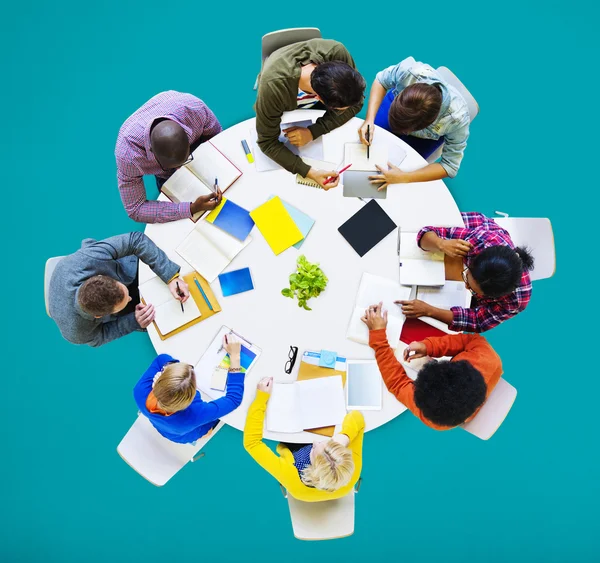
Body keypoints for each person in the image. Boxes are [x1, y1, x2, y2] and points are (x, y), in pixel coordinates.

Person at [362, 303, 503, 430]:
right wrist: (428, 346)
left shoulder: (433, 413)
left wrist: (378, 338)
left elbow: (397, 384)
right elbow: (469, 340)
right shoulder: (486, 355)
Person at [255, 38, 366, 190]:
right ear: (319, 98)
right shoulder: (273, 87)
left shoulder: (338, 53)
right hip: (280, 96)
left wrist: (313, 132)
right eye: (341, 110)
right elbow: (267, 143)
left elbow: (357, 103)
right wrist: (309, 172)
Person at [398, 212, 534, 333]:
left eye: (473, 291)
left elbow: (477, 321)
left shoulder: (517, 300)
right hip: (473, 229)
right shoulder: (479, 240)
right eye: (466, 277)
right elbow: (426, 231)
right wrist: (441, 243)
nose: (466, 286)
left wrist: (430, 311)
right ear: (473, 259)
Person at [48, 232, 189, 347]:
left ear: (100, 275)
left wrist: (171, 276)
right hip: (129, 313)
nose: (130, 299)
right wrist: (134, 320)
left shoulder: (88, 258)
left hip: (126, 271)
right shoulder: (76, 333)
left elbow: (135, 240)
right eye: (125, 301)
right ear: (99, 316)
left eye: (125, 295)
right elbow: (100, 337)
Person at [244, 377, 364, 502]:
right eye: (329, 442)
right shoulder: (350, 468)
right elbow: (357, 417)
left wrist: (260, 399)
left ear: (312, 469)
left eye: (314, 450)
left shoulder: (289, 474)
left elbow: (251, 443)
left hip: (292, 444)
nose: (315, 442)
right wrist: (344, 437)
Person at [358, 57, 471, 187]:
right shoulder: (409, 71)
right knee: (364, 143)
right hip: (398, 110)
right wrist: (369, 119)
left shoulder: (457, 119)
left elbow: (449, 166)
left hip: (426, 139)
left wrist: (405, 177)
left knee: (400, 176)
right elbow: (381, 80)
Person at [115, 90, 223, 223]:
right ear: (151, 151)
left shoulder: (195, 110)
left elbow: (219, 139)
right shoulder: (128, 155)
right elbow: (135, 208)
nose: (181, 170)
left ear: (187, 132)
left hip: (199, 146)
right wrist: (191, 208)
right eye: (173, 166)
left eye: (184, 160)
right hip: (166, 176)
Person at [134, 334, 245, 444]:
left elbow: (161, 359)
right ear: (193, 396)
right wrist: (235, 356)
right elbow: (234, 399)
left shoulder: (139, 391)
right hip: (185, 432)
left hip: (168, 429)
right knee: (208, 429)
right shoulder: (195, 413)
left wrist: (167, 369)